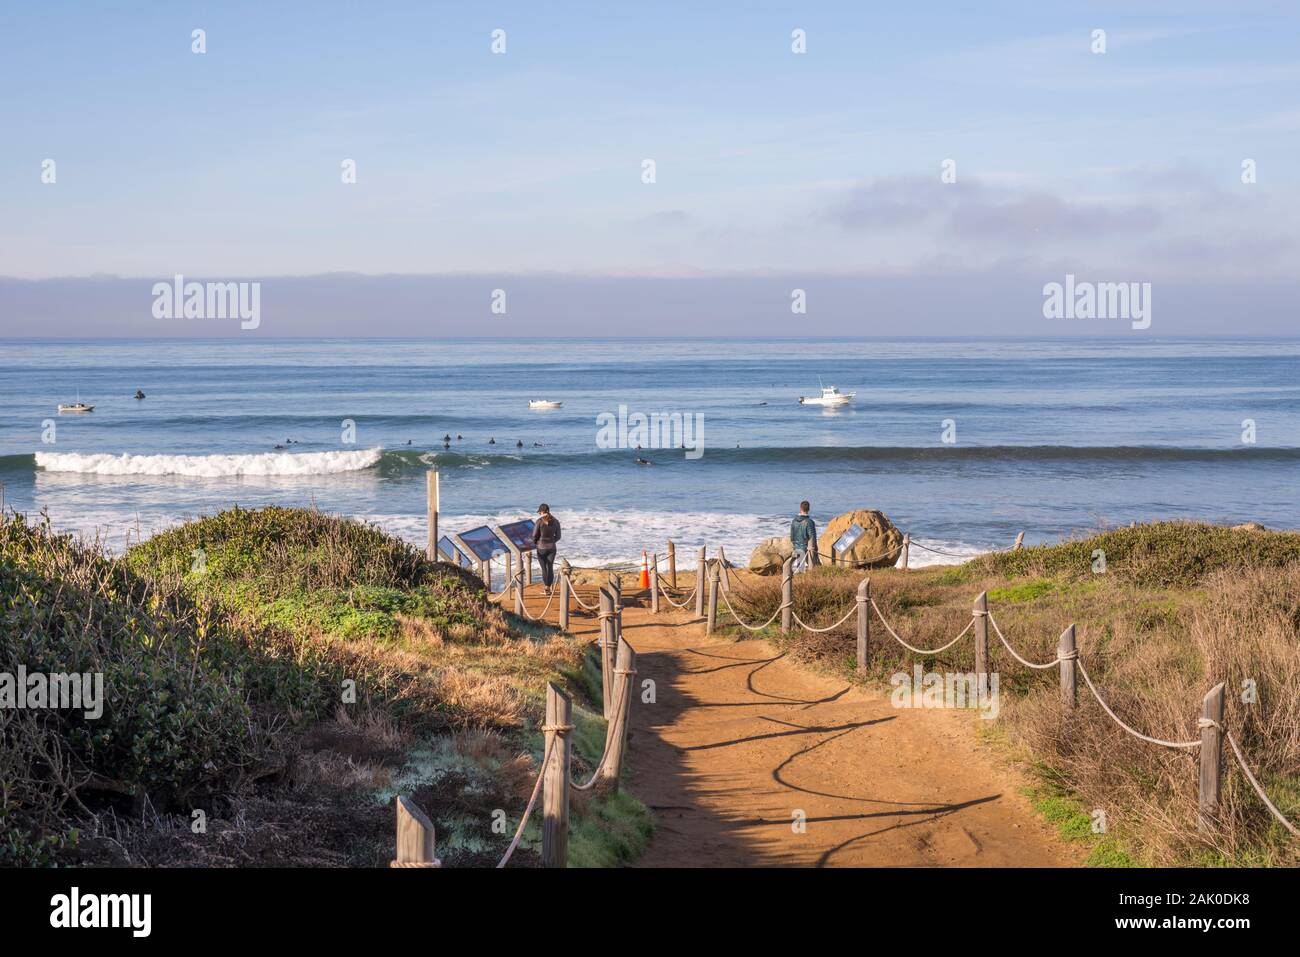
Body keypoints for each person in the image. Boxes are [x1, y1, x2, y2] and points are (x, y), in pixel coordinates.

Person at [532, 504, 562, 594]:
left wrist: (536, 543)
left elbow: (534, 536)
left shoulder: (539, 521)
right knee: (550, 567)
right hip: (552, 547)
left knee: (544, 568)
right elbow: (559, 536)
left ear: (541, 512)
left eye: (539, 512)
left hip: (541, 548)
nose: (539, 514)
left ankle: (546, 589)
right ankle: (548, 588)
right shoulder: (556, 521)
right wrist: (552, 541)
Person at [790, 501, 819, 572]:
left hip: (796, 548)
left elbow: (791, 537)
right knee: (808, 570)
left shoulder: (794, 521)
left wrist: (795, 545)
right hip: (806, 551)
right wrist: (815, 550)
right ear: (808, 509)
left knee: (797, 571)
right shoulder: (809, 522)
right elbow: (812, 539)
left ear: (800, 508)